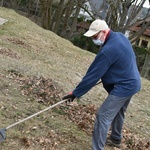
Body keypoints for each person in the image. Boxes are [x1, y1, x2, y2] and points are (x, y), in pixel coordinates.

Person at [62, 19, 141, 150]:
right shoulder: (120, 37)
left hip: (125, 86)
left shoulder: (108, 50)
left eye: (95, 36)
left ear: (103, 32)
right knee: (119, 111)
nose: (94, 39)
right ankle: (116, 139)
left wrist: (75, 93)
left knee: (103, 115)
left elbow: (92, 75)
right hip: (133, 82)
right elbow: (124, 59)